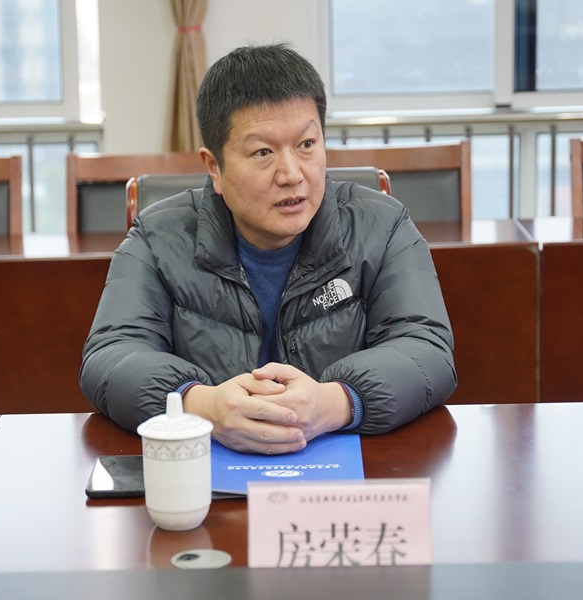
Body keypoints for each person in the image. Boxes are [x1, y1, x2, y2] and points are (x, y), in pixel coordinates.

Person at [80, 42, 456, 455]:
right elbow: (109, 357)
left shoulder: (383, 227)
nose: (292, 174)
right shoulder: (157, 238)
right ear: (214, 167)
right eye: (263, 152)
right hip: (206, 472)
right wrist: (200, 406)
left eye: (307, 144)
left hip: (341, 472)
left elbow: (427, 349)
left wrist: (333, 403)